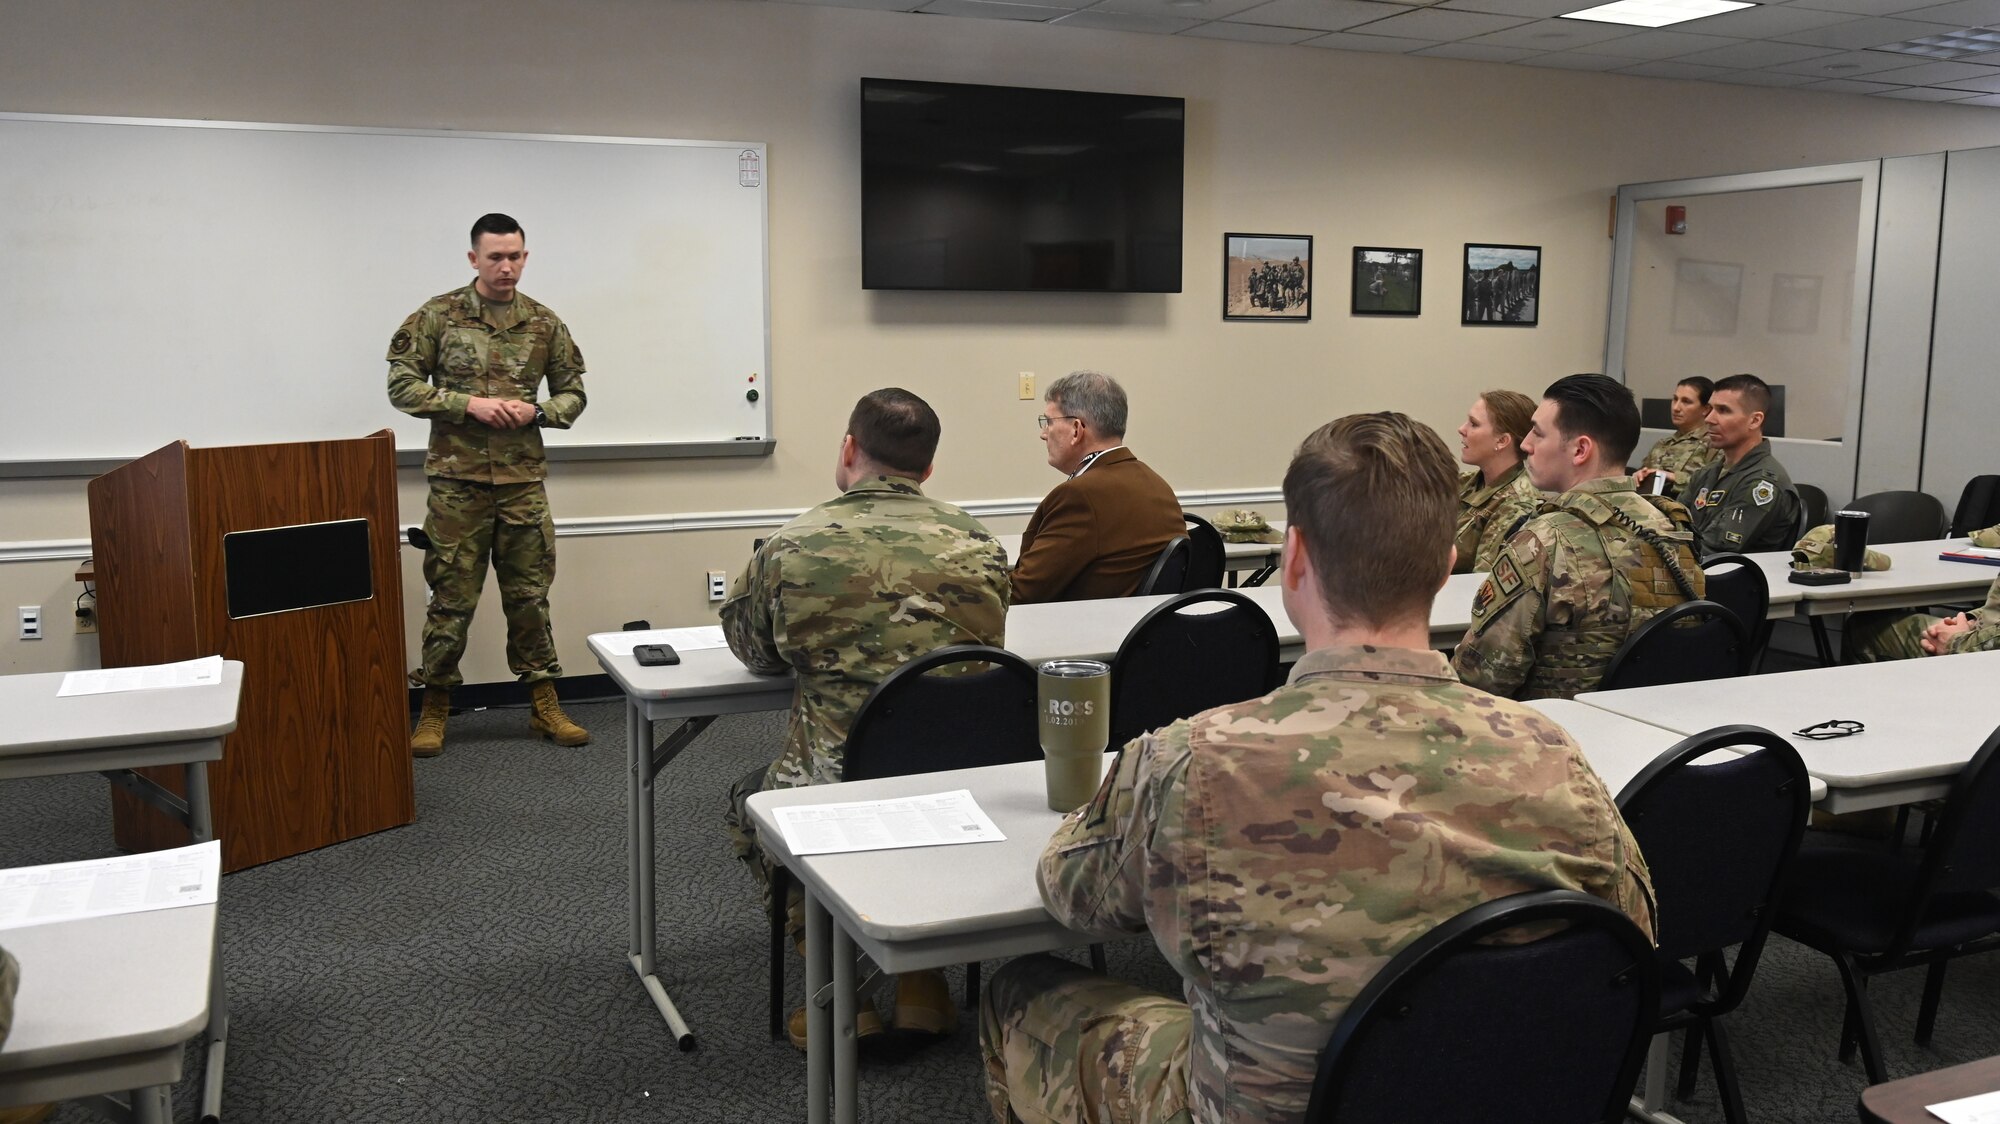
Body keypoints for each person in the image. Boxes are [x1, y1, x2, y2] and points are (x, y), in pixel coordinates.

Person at [979, 412, 1655, 1124]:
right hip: (1486, 1097)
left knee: (1019, 991)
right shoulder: (1552, 754)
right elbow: (1629, 942)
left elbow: (1074, 894)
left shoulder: (1192, 760)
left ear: (1293, 559)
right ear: (1446, 565)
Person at [720, 388, 1010, 1047]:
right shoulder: (980, 543)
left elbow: (754, 651)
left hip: (834, 789)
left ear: (849, 449)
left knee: (747, 800)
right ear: (927, 469)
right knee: (913, 810)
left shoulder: (793, 546)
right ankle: (922, 980)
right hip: (960, 786)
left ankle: (840, 988)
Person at [388, 213, 589, 756]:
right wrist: (466, 403)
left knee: (529, 598)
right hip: (458, 484)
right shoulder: (438, 316)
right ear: (473, 258)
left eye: (516, 256)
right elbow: (402, 386)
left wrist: (538, 412)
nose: (507, 267)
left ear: (526, 256)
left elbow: (574, 394)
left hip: (523, 483)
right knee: (451, 599)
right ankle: (433, 708)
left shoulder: (545, 323)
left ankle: (544, 704)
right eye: (495, 256)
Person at [1453, 374, 1705, 700]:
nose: (1526, 444)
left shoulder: (1541, 542)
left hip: (1550, 738)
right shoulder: (1672, 529)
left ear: (1580, 449)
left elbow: (1480, 680)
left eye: (1538, 434)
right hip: (1651, 736)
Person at [1012, 371, 1183, 603]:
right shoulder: (1157, 485)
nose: (1043, 434)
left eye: (1049, 422)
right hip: (1138, 630)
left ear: (1076, 429)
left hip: (1081, 632)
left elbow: (1022, 594)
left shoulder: (1080, 496)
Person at [1682, 373, 1801, 556]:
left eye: (1723, 410)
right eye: (1710, 409)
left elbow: (1714, 551)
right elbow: (1671, 522)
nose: (1709, 419)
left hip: (1728, 579)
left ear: (1754, 420)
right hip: (1691, 573)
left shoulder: (1761, 483)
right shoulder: (1709, 472)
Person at [1848, 524, 2000, 661]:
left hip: (1984, 657)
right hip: (1985, 633)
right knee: (1866, 623)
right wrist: (1970, 620)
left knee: (1862, 631)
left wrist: (1956, 641)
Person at [1453, 389, 1541, 574]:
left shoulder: (1517, 504)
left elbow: (1481, 582)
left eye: (1474, 424)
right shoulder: (1464, 482)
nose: (1462, 429)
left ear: (1502, 441)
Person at [1633, 376, 1718, 499]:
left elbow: (1712, 485)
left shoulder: (1714, 444)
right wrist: (1639, 476)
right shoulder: (1662, 445)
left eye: (1686, 401)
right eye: (1675, 399)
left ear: (1706, 409)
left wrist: (1670, 477)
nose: (1676, 408)